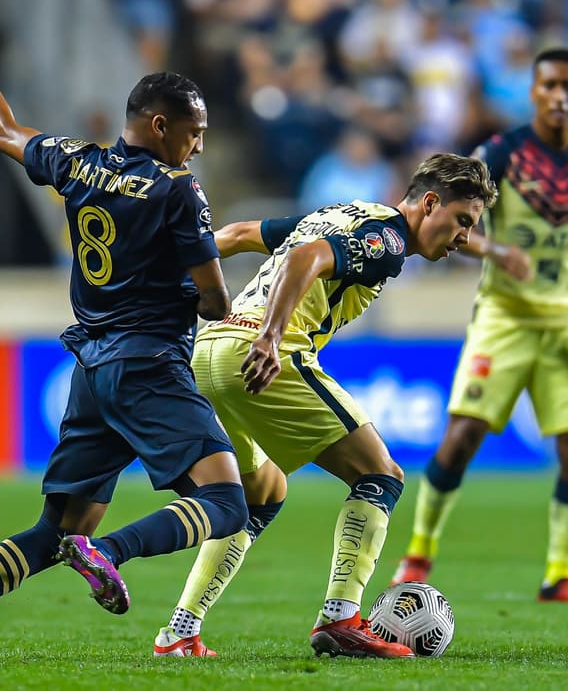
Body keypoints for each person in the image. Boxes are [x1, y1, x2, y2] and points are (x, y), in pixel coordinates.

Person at [0, 18, 248, 663]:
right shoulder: (179, 190)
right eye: (194, 132)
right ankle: (111, 552)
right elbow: (215, 300)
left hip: (92, 370)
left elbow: (0, 130)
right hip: (150, 364)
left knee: (55, 532)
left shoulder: (79, 162)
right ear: (159, 125)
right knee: (225, 502)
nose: (199, 146)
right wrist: (221, 300)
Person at [154, 154, 497, 659]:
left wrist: (164, 278)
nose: (465, 238)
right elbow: (302, 259)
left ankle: (180, 632)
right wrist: (271, 337)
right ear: (429, 203)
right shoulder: (389, 241)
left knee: (259, 494)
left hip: (211, 350)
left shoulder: (342, 212)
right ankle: (341, 618)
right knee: (381, 475)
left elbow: (240, 233)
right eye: (463, 221)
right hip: (265, 355)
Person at [392, 47, 568, 603]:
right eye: (551, 86)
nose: (561, 96)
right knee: (463, 435)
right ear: (534, 92)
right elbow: (449, 224)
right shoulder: (501, 153)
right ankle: (418, 553)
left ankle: (560, 573)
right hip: (505, 316)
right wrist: (495, 249)